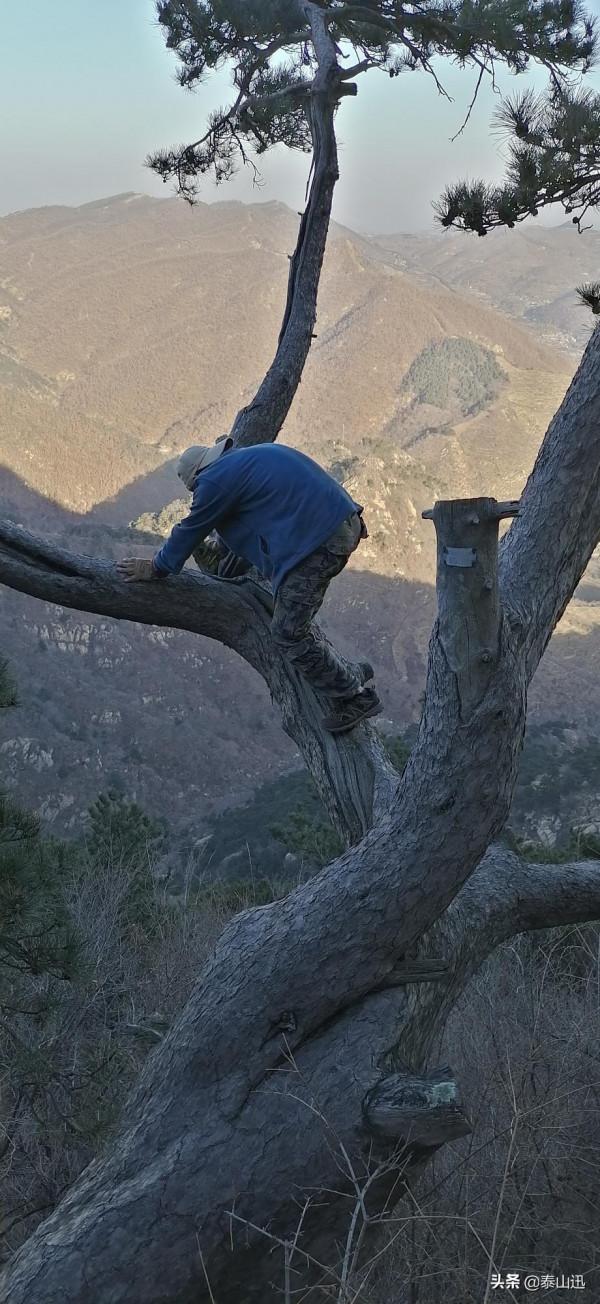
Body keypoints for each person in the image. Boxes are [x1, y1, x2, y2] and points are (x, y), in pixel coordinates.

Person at [117, 439, 381, 733]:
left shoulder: (215, 481)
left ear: (196, 479)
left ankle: (355, 697)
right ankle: (349, 673)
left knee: (288, 633)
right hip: (337, 525)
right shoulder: (243, 461)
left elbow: (190, 529)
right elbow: (247, 529)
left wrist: (155, 566)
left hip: (320, 542)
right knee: (291, 618)